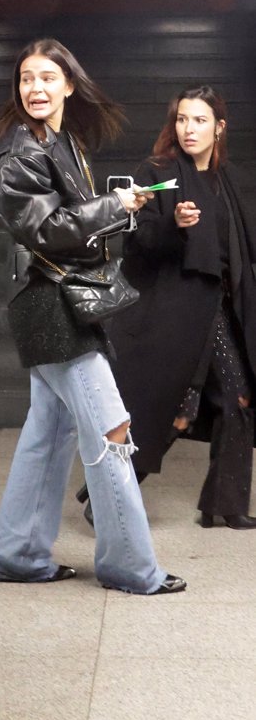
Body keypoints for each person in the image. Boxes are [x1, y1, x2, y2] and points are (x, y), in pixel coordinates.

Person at [0, 38, 186, 594]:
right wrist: (113, 207)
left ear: (68, 85)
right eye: (27, 78)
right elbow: (45, 231)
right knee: (111, 428)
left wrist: (119, 209)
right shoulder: (20, 155)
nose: (35, 89)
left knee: (47, 433)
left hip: (57, 300)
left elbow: (70, 221)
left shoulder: (63, 142)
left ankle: (18, 554)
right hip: (51, 306)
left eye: (47, 78)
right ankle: (129, 567)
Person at [104, 85, 256, 529]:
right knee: (176, 411)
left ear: (219, 127)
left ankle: (224, 505)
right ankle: (107, 499)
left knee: (239, 400)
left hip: (219, 309)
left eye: (200, 120)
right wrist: (174, 225)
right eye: (182, 120)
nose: (189, 129)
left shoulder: (228, 181)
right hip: (175, 311)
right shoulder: (158, 172)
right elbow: (136, 239)